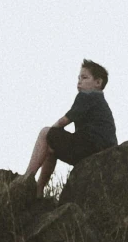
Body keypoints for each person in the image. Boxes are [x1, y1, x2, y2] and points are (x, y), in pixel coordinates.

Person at [29, 59, 117, 190]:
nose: (79, 81)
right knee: (51, 148)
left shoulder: (88, 95)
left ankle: (26, 178)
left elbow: (64, 120)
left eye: (84, 77)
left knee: (46, 133)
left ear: (98, 82)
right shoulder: (100, 101)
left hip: (90, 147)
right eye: (79, 78)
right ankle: (38, 189)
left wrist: (49, 133)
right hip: (103, 149)